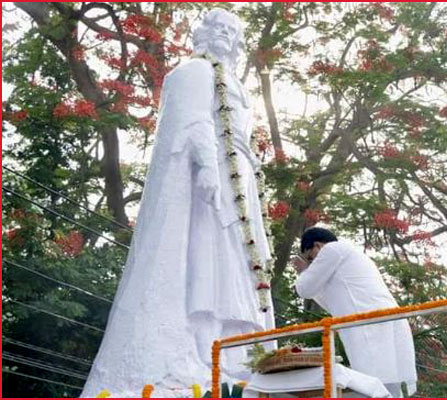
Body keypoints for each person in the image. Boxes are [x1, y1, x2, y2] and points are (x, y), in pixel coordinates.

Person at [81, 9, 274, 397]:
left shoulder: (234, 84)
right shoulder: (195, 72)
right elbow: (193, 121)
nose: (223, 35)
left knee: (238, 267)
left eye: (230, 31)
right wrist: (205, 166)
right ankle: (202, 352)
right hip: (210, 182)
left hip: (241, 186)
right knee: (207, 264)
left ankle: (235, 357)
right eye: (216, 27)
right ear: (201, 34)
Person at [293, 227, 418, 397]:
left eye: (310, 257)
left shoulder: (332, 249)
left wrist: (303, 271)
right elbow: (328, 302)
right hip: (376, 322)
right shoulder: (347, 257)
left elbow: (304, 289)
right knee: (384, 384)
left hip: (372, 324)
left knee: (375, 384)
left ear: (318, 245)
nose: (312, 263)